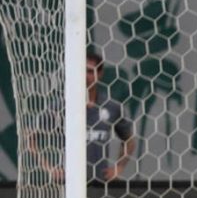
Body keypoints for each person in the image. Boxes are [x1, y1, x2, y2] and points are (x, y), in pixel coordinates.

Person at [28, 52, 135, 183]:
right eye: (81, 71)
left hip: (100, 184)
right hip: (67, 184)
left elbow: (129, 141)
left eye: (90, 71)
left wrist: (119, 167)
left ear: (99, 74)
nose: (85, 76)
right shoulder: (59, 107)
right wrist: (49, 168)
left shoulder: (112, 107)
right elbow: (29, 139)